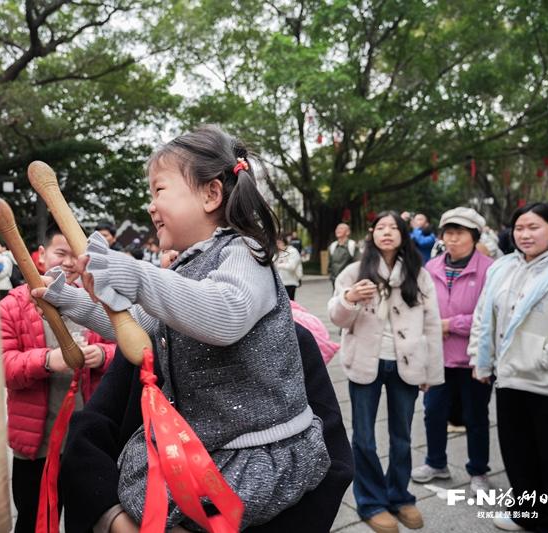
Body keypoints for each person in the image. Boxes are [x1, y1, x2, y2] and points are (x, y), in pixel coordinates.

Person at [34, 125, 330, 531]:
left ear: (211, 194)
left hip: (255, 447)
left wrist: (134, 274)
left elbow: (225, 316)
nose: (150, 206)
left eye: (159, 190)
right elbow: (138, 329)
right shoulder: (188, 266)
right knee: (137, 486)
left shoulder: (246, 253)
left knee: (171, 505)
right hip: (203, 445)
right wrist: (68, 300)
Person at [59, 323, 354, 533]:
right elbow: (90, 434)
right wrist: (116, 520)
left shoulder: (288, 339)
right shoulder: (147, 338)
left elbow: (331, 461)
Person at [468, 202, 548, 533]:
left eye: (533, 227)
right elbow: (484, 316)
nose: (524, 234)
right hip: (511, 381)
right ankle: (528, 512)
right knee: (521, 457)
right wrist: (480, 358)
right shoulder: (504, 267)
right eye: (519, 228)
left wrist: (544, 357)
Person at [329, 210, 444, 533]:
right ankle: (370, 502)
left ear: (404, 235)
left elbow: (433, 323)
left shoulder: (418, 274)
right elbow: (337, 318)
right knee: (364, 438)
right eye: (381, 227)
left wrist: (431, 372)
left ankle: (400, 496)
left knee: (402, 437)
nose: (387, 232)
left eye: (394, 227)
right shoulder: (354, 272)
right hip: (366, 361)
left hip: (406, 362)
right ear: (372, 234)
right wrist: (349, 299)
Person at [0, 225, 117, 533]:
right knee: (33, 519)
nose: (68, 262)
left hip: (84, 442)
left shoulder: (93, 303)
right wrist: (49, 361)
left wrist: (102, 355)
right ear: (40, 256)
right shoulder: (12, 306)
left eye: (75, 256)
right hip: (35, 445)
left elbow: (125, 347)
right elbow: (3, 366)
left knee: (86, 520)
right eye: (60, 253)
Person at [411, 207, 495, 494]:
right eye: (448, 232)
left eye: (459, 233)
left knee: (475, 416)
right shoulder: (431, 268)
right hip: (437, 357)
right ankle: (436, 462)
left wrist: (451, 323)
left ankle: (478, 470)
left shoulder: (489, 269)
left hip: (473, 359)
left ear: (474, 236)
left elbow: (491, 315)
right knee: (433, 412)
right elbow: (419, 310)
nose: (452, 239)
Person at [328, 222, 360, 289]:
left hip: (348, 280)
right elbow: (330, 263)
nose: (338, 230)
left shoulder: (352, 245)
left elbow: (358, 263)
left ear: (348, 232)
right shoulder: (333, 246)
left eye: (341, 228)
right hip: (335, 279)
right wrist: (331, 275)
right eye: (337, 229)